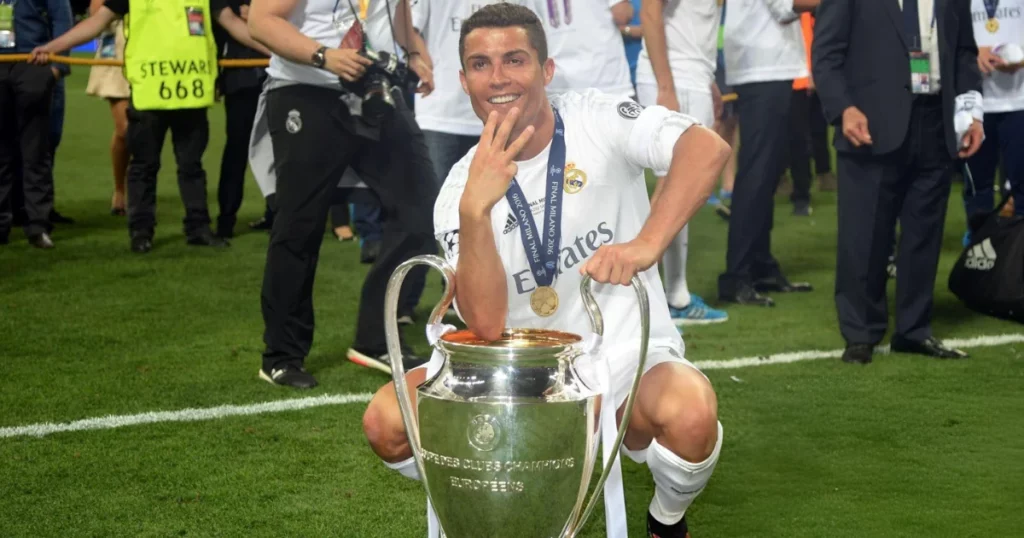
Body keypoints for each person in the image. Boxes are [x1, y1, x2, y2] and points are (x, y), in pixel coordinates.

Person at [361, 4, 730, 537]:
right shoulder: (456, 192)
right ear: (463, 79)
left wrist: (648, 242)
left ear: (546, 69)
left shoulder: (597, 117)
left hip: (620, 356)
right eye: (481, 64)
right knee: (386, 422)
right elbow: (485, 326)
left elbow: (706, 147)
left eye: (515, 60)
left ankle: (666, 520)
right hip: (516, 371)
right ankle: (498, 497)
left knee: (691, 414)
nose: (499, 78)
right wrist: (475, 211)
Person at [246, 0, 439, 388]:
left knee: (421, 210)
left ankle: (376, 337)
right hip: (307, 89)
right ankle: (281, 355)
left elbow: (396, 12)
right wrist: (323, 56)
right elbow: (260, 21)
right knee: (299, 224)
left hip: (378, 87)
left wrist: (415, 52)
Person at [813, 0, 985, 363]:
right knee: (864, 234)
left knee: (925, 234)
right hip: (869, 125)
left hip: (936, 120)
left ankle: (914, 329)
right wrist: (844, 108)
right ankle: (860, 332)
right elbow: (826, 53)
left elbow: (965, 52)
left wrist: (971, 113)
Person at [30, 0, 262, 252]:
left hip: (187, 94)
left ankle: (195, 228)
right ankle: (142, 231)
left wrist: (273, 48)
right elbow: (96, 23)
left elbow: (232, 24)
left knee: (189, 167)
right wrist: (52, 47)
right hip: (152, 94)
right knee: (146, 166)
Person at [718, 0, 818, 307]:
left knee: (769, 169)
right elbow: (785, 6)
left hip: (770, 63)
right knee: (758, 171)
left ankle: (760, 264)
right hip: (761, 66)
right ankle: (738, 274)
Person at [636, 0, 730, 326]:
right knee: (676, 187)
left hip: (690, 77)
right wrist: (666, 86)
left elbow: (692, 23)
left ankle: (671, 294)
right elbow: (649, 10)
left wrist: (708, 80)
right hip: (676, 79)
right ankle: (659, 295)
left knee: (679, 187)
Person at [0, 0, 72, 249]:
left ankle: (38, 225)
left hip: (33, 65)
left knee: (35, 152)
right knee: (1, 153)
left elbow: (62, 20)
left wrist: (56, 68)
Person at [962, 0, 1024, 234]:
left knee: (1021, 185)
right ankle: (979, 250)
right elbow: (949, 36)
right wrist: (973, 53)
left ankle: (1017, 254)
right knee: (978, 187)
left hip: (1020, 101)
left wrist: (1020, 61)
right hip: (975, 103)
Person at [212, 0, 271, 239]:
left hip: (275, 75)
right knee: (236, 151)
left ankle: (277, 216)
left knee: (280, 154)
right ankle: (226, 220)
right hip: (242, 79)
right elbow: (225, 23)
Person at [84, 0, 130, 215]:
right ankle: (120, 189)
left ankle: (139, 191)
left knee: (147, 129)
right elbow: (96, 13)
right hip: (118, 48)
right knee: (125, 129)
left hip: (155, 48)